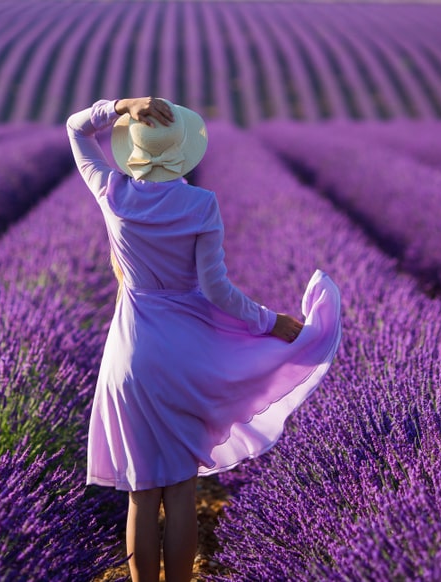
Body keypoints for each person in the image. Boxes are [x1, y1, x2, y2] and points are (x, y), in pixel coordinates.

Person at [67, 97, 342, 581]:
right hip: (186, 356)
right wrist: (269, 322)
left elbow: (75, 128)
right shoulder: (200, 204)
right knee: (178, 491)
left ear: (133, 148)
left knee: (140, 494)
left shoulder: (112, 192)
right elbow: (217, 290)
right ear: (182, 152)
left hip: (130, 355)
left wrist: (121, 106)